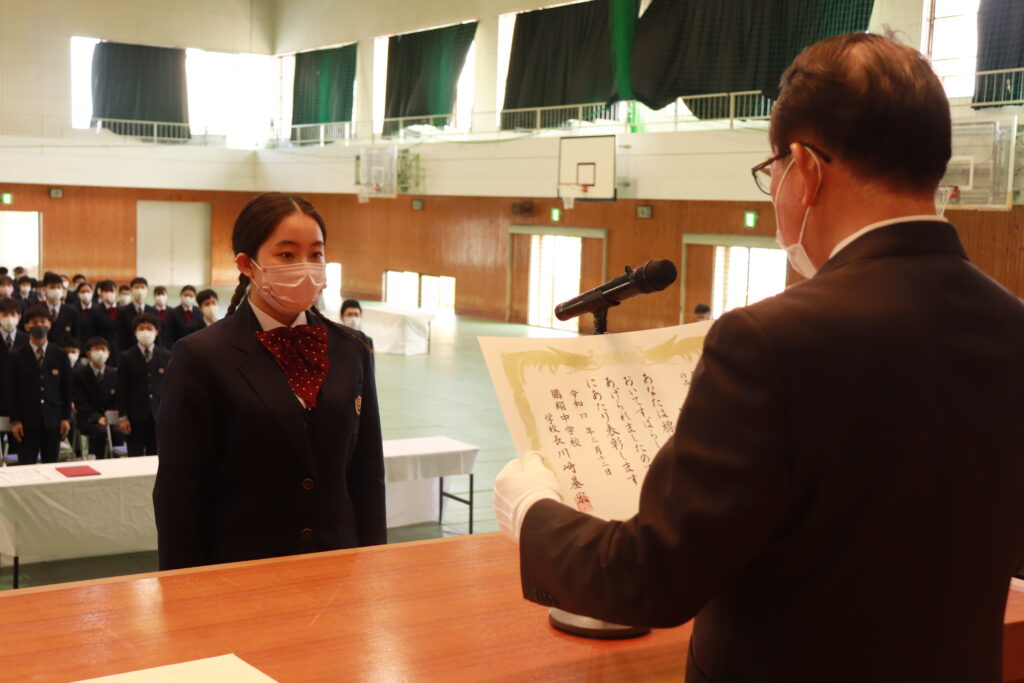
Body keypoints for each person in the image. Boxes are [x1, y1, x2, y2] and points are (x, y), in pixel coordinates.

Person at [493, 33, 1024, 683]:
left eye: (772, 169)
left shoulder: (769, 342)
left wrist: (531, 511)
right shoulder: (1013, 326)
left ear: (804, 166)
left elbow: (649, 578)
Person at [154, 191, 385, 570]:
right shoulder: (201, 355)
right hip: (242, 570)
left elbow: (367, 475)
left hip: (339, 565)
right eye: (287, 255)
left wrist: (375, 561)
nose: (305, 267)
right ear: (247, 264)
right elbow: (179, 493)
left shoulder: (352, 349)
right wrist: (183, 588)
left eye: (316, 254)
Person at [6, 305, 72, 464]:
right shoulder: (15, 355)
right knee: (26, 467)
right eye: (34, 322)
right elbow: (11, 390)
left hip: (53, 420)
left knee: (51, 466)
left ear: (49, 324)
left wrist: (66, 418)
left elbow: (66, 389)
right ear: (26, 326)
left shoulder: (60, 354)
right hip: (26, 422)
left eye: (43, 321)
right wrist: (15, 421)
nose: (39, 325)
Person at [116, 313, 168, 457]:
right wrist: (122, 417)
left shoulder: (166, 356)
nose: (145, 331)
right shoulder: (126, 357)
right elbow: (122, 389)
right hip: (134, 416)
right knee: (135, 455)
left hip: (158, 415)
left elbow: (170, 388)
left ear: (156, 331)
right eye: (141, 328)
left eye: (149, 328)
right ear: (135, 332)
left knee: (156, 456)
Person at [74, 337, 120, 458]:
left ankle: (117, 460)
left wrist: (110, 416)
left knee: (119, 430)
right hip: (88, 418)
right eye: (96, 349)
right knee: (100, 431)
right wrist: (97, 417)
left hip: (111, 417)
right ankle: (96, 458)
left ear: (109, 353)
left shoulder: (114, 373)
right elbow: (80, 401)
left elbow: (118, 399)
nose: (100, 352)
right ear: (88, 353)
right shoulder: (79, 374)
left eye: (103, 349)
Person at [0, 298, 28, 459]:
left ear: (19, 316)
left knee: (18, 454)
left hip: (20, 405)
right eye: (4, 314)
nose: (9, 318)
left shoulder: (27, 340)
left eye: (13, 314)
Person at [116, 277, 157, 353]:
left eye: (142, 287)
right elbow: (120, 336)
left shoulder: (153, 311)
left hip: (150, 351)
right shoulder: (122, 311)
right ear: (131, 290)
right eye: (136, 287)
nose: (139, 290)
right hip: (129, 351)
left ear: (147, 290)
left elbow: (157, 334)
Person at [42, 272, 81, 347]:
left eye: (58, 287)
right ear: (44, 289)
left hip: (65, 350)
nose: (56, 290)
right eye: (52, 287)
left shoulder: (72, 311)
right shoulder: (38, 309)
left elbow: (76, 336)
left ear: (63, 290)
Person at [88, 280, 120, 367]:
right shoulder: (94, 311)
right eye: (106, 291)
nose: (109, 293)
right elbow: (91, 332)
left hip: (120, 350)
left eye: (111, 291)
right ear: (101, 293)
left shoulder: (124, 309)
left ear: (116, 292)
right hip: (101, 350)